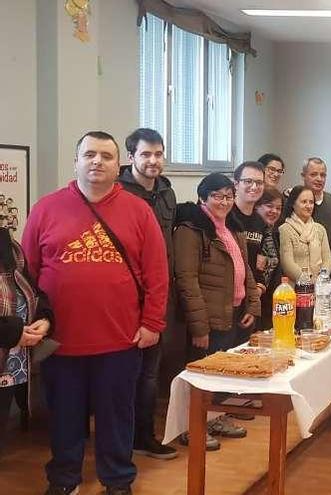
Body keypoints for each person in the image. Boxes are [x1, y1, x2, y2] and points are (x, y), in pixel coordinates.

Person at [22, 131, 169, 495]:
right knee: (65, 418)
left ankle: (118, 480)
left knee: (116, 416)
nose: (97, 161)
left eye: (106, 155)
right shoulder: (46, 208)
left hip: (120, 338)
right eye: (90, 154)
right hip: (60, 340)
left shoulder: (138, 211)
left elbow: (157, 272)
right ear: (76, 161)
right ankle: (64, 479)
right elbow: (26, 272)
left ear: (116, 164)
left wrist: (152, 323)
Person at [173, 173, 262, 450]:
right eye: (217, 196)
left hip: (233, 312)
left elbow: (244, 269)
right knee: (201, 375)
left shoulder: (232, 227)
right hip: (207, 317)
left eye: (228, 196)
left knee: (222, 372)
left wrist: (252, 304)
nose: (224, 202)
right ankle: (193, 427)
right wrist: (199, 327)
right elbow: (186, 279)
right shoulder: (191, 229)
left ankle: (217, 418)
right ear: (203, 197)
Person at [118, 128, 179, 461]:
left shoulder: (167, 193)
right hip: (128, 298)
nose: (153, 161)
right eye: (145, 154)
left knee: (151, 373)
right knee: (127, 373)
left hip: (161, 295)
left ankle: (144, 435)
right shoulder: (118, 193)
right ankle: (122, 438)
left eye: (158, 154)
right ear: (131, 157)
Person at [0, 227, 51, 452]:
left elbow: (32, 291)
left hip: (11, 364)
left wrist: (44, 318)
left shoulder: (10, 246)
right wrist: (11, 332)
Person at [230, 161, 270, 329]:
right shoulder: (225, 215)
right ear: (236, 184)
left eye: (259, 183)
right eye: (248, 181)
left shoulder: (260, 222)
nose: (254, 187)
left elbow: (260, 261)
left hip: (250, 301)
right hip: (226, 300)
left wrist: (257, 292)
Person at [302, 157, 331, 296]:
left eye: (322, 175)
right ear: (303, 176)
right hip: (304, 273)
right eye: (313, 174)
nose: (319, 178)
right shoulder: (295, 201)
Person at [278, 186, 331, 282]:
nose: (308, 206)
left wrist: (321, 279)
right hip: (295, 286)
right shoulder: (285, 229)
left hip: (320, 286)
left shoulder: (320, 229)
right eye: (304, 202)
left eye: (311, 202)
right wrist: (307, 281)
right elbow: (287, 263)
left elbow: (327, 259)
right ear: (293, 204)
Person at [254, 188, 283, 329]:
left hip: (268, 299)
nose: (274, 211)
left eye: (278, 208)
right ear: (257, 205)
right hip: (254, 299)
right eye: (269, 206)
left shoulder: (272, 232)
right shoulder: (254, 231)